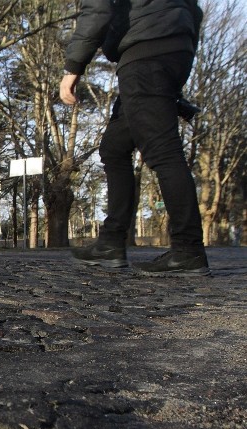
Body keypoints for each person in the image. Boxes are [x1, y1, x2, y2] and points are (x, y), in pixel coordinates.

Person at [61, 0, 209, 276]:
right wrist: (178, 55)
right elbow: (194, 11)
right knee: (114, 148)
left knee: (164, 152)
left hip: (145, 54)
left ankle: (189, 250)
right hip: (174, 49)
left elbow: (98, 10)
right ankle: (111, 242)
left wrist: (73, 67)